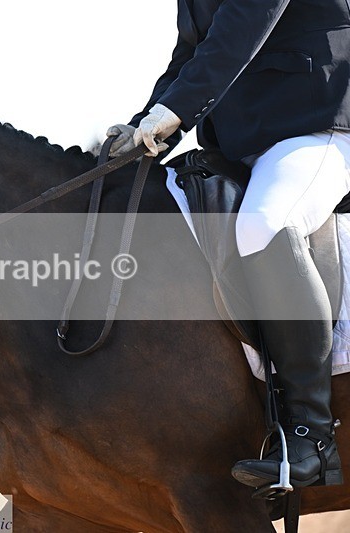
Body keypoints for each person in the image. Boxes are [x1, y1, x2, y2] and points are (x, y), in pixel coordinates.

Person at [105, 0, 350, 489]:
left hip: (320, 122)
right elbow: (193, 53)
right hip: (241, 144)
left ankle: (312, 438)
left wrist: (175, 111)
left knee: (267, 223)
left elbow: (244, 23)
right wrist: (144, 125)